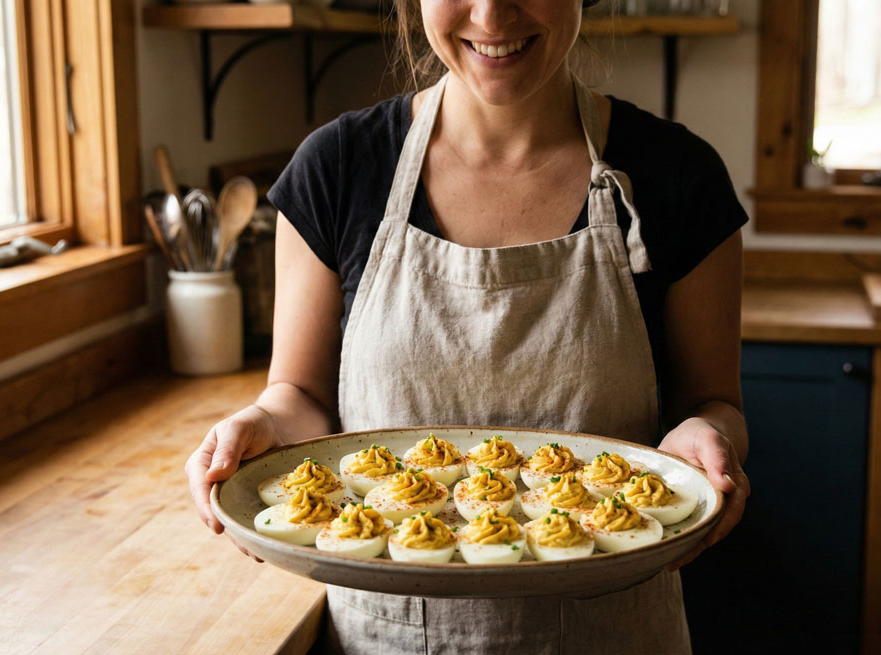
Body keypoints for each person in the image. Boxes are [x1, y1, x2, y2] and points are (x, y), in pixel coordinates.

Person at [185, 0, 751, 649]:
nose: (491, 14)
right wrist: (258, 425)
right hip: (386, 637)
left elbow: (716, 403)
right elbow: (301, 399)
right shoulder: (336, 169)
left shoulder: (680, 176)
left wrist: (710, 433)